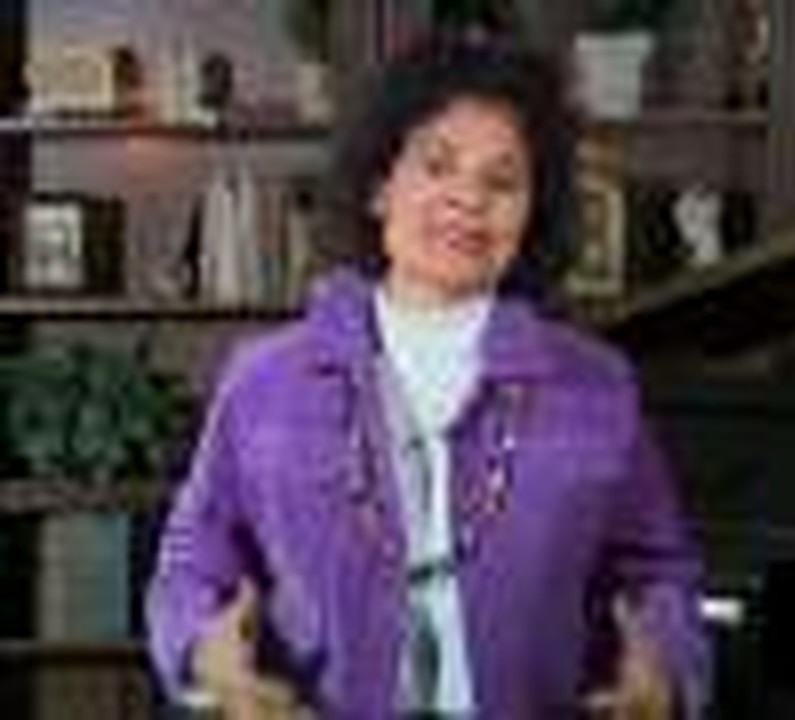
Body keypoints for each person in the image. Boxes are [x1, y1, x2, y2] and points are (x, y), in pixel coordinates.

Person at [146, 32, 709, 719]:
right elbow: (192, 560)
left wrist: (664, 663)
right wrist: (205, 654)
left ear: (532, 214)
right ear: (380, 187)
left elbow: (660, 568)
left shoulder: (597, 386)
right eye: (437, 166)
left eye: (502, 181)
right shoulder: (265, 379)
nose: (468, 198)